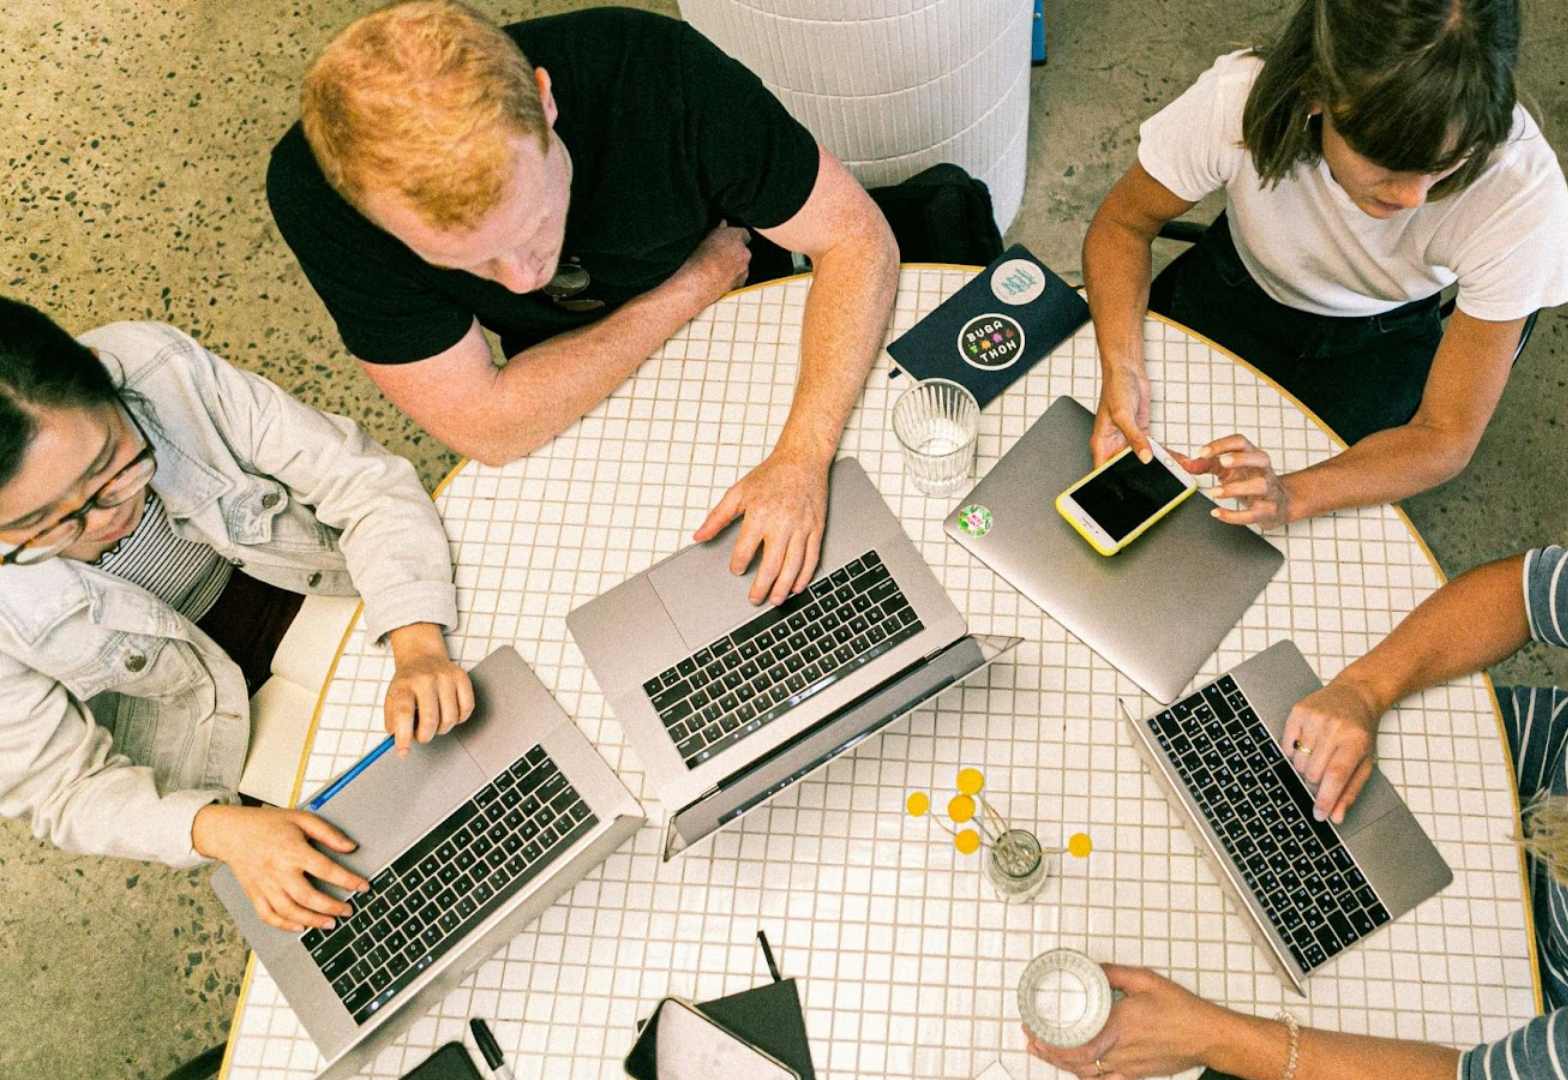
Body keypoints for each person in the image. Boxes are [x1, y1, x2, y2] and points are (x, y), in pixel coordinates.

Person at [1028, 545, 1568, 1078]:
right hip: (1512, 778)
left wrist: (1209, 1035)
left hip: (1533, 1002)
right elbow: (1525, 589)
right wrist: (1364, 692)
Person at [268, 1, 901, 606]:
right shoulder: (317, 194)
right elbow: (486, 427)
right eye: (468, 261)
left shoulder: (657, 74)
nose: (520, 281)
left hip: (754, 316)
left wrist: (800, 458)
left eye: (533, 222)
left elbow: (856, 240)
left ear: (545, 104)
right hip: (605, 359)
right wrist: (690, 286)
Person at [0, 297, 475, 934]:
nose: (104, 522)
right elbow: (58, 787)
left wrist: (417, 641)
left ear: (100, 374)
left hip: (309, 587)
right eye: (41, 526)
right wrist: (218, 828)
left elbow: (361, 482)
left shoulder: (155, 367)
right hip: (198, 736)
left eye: (110, 470)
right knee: (391, 893)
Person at [1084, 0, 1568, 529]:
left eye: (1445, 164)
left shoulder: (1520, 193)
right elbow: (1122, 227)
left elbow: (1445, 435)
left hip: (1379, 342)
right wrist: (1124, 367)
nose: (1413, 196)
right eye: (1385, 160)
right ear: (1316, 92)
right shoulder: (1238, 99)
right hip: (1231, 285)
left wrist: (1293, 496)